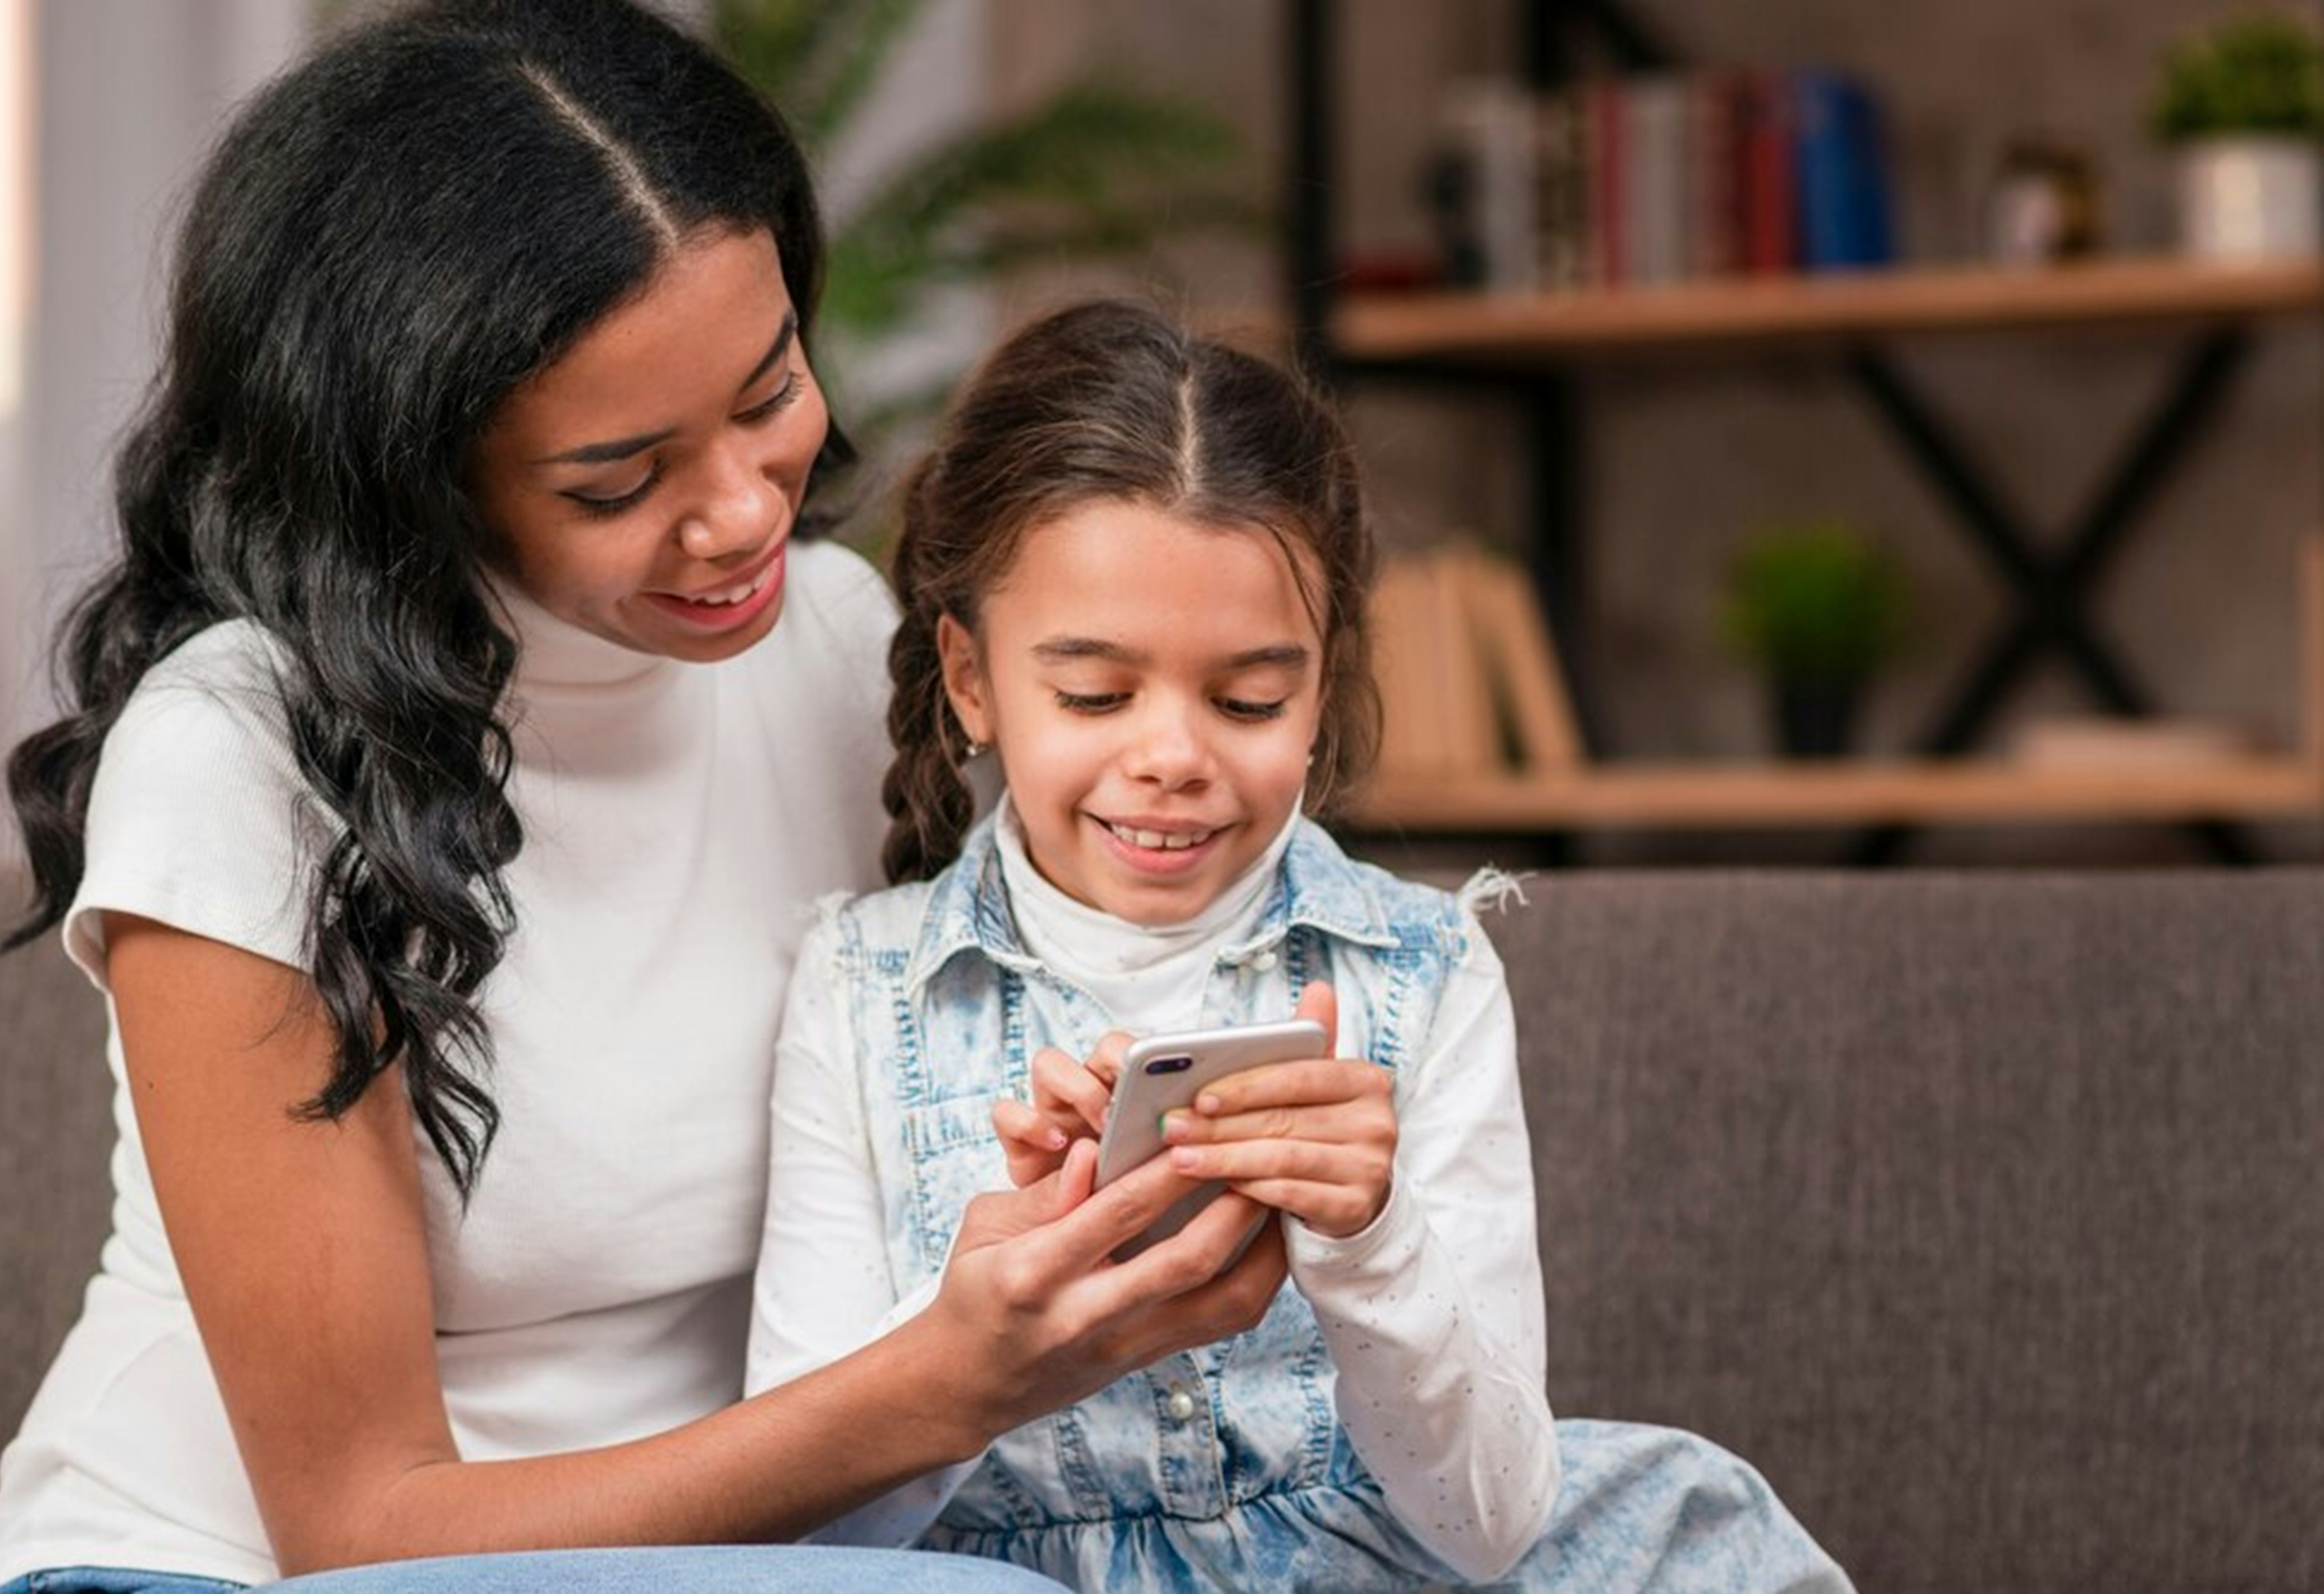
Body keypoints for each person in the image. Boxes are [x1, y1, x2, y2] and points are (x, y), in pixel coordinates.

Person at [0, 7, 1288, 1593]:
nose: (741, 516)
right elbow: (357, 1526)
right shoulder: (242, 752)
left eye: (769, 386)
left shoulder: (842, 648)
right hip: (217, 1576)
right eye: (616, 479)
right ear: (414, 473)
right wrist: (938, 1385)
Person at [743, 299, 1854, 1592]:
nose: (1172, 756)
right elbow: (800, 1541)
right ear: (974, 679)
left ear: (1319, 691)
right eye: (1095, 694)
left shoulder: (1419, 969)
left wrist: (1370, 1237)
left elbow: (1491, 1520)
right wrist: (976, 1327)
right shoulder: (862, 989)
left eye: (1250, 698)